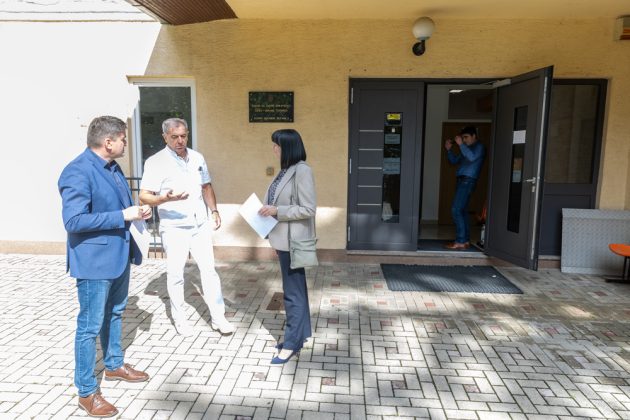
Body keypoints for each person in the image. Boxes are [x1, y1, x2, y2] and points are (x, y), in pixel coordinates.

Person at [58, 116, 152, 418]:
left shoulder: (112, 167)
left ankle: (113, 365)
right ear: (108, 142)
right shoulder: (77, 171)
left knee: (115, 313)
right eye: (123, 139)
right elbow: (74, 221)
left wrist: (137, 212)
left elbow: (118, 207)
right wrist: (122, 215)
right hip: (94, 264)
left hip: (118, 257)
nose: (126, 143)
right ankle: (87, 392)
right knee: (89, 326)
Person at [139, 118, 235, 337]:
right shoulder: (155, 162)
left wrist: (214, 211)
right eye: (174, 137)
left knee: (209, 272)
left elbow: (206, 186)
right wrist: (163, 199)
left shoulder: (197, 157)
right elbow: (144, 196)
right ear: (165, 137)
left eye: (183, 136)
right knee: (175, 275)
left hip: (199, 224)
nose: (180, 141)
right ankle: (180, 319)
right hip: (174, 227)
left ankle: (218, 318)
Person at [258, 129, 316, 364]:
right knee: (296, 291)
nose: (274, 149)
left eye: (277, 145)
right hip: (283, 241)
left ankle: (291, 344)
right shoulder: (285, 171)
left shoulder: (302, 171)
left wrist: (276, 211)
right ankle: (300, 335)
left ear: (288, 147)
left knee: (292, 294)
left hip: (294, 242)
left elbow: (308, 209)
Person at [444, 126, 486, 250]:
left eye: (466, 137)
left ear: (474, 136)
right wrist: (449, 150)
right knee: (462, 211)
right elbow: (454, 161)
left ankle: (460, 241)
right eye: (463, 138)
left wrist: (461, 145)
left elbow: (472, 157)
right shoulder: (466, 148)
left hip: (467, 181)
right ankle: (465, 241)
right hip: (461, 181)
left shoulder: (479, 147)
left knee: (456, 209)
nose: (464, 140)